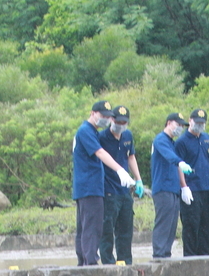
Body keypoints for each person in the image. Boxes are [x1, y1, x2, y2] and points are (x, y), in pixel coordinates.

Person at [72, 100, 135, 266]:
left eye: (108, 116)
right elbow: (100, 152)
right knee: (93, 227)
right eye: (103, 115)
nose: (106, 119)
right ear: (93, 113)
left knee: (85, 227)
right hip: (90, 187)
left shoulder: (91, 131)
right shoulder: (86, 131)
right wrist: (120, 169)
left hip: (89, 187)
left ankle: (84, 260)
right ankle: (90, 262)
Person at [98, 104, 144, 266]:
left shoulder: (128, 136)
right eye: (118, 121)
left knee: (125, 230)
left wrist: (138, 179)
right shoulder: (102, 137)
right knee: (107, 230)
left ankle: (125, 262)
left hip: (125, 191)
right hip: (108, 190)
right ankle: (108, 264)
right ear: (111, 119)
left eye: (124, 122)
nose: (120, 125)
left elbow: (131, 157)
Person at [175, 109, 209, 256]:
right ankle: (190, 259)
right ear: (190, 121)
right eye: (197, 122)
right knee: (191, 226)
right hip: (192, 188)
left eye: (202, 123)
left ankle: (205, 257)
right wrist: (183, 186)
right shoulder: (182, 142)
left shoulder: (206, 138)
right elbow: (178, 165)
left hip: (206, 188)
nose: (199, 125)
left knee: (206, 226)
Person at [150, 113, 193, 259]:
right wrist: (180, 162)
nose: (180, 128)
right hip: (163, 188)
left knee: (171, 225)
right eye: (178, 124)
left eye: (182, 126)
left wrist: (183, 186)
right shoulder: (161, 139)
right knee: (164, 223)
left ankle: (165, 254)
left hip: (173, 189)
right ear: (169, 123)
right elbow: (169, 156)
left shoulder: (172, 143)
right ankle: (159, 255)